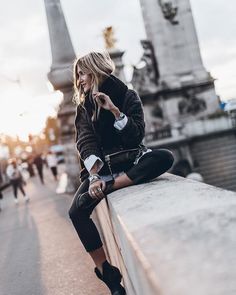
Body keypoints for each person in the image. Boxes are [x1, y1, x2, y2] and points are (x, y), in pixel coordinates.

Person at [68, 51, 174, 295]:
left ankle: (115, 185)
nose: (80, 79)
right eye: (78, 75)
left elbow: (136, 136)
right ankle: (105, 270)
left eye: (82, 73)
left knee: (164, 157)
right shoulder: (84, 106)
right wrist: (94, 176)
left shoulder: (128, 96)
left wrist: (115, 111)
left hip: (129, 161)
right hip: (102, 169)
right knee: (76, 212)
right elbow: (85, 142)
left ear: (95, 69)